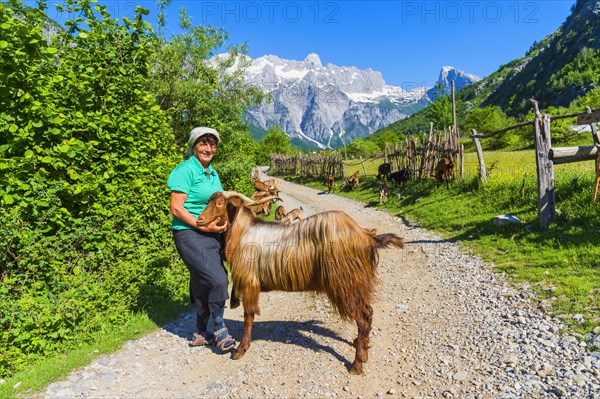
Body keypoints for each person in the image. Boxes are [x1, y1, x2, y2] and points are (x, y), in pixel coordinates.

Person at [167, 126, 236, 352]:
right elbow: (176, 208)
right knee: (217, 279)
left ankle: (200, 331)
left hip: (211, 233)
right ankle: (219, 329)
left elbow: (219, 204)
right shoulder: (185, 170)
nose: (209, 148)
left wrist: (223, 222)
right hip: (189, 233)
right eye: (203, 143)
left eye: (212, 144)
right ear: (194, 145)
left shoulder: (212, 173)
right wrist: (199, 224)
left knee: (201, 281)